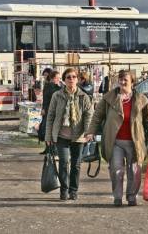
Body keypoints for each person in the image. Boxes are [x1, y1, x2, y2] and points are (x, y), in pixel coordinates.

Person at [86, 69, 148, 207]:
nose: (122, 82)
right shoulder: (108, 98)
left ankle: (131, 197)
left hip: (135, 141)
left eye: (126, 79)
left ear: (132, 82)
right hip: (115, 141)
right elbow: (97, 116)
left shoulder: (141, 99)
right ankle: (117, 197)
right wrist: (91, 131)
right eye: (120, 79)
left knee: (134, 171)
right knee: (116, 169)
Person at [45, 68, 93, 201]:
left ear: (77, 79)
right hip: (61, 136)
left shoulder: (84, 97)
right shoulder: (57, 95)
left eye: (73, 77)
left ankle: (73, 190)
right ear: (64, 80)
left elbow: (89, 115)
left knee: (76, 165)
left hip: (78, 136)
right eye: (68, 77)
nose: (71, 79)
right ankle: (64, 190)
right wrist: (48, 136)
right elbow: (50, 116)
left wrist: (88, 132)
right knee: (64, 163)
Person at [38, 70, 62, 153]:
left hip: (51, 109)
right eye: (57, 78)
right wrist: (44, 108)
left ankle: (50, 148)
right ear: (53, 78)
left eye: (59, 78)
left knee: (49, 128)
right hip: (50, 110)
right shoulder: (52, 86)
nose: (59, 80)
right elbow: (47, 98)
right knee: (49, 128)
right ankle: (50, 148)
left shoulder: (50, 85)